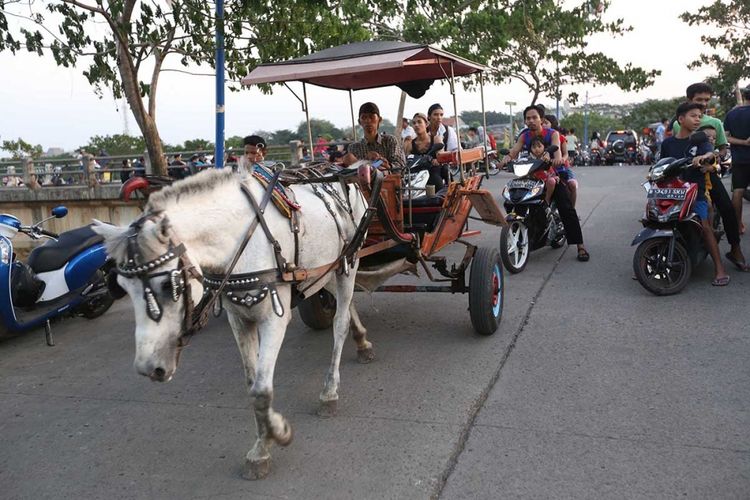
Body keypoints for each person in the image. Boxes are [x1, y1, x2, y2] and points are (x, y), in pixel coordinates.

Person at [501, 104, 589, 262]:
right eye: (528, 118)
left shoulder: (552, 133)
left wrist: (556, 158)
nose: (531, 121)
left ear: (541, 119)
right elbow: (514, 152)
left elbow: (557, 151)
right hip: (532, 177)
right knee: (515, 198)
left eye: (534, 117)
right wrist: (506, 159)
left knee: (566, 208)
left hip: (552, 175)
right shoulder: (524, 135)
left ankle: (580, 246)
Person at [674, 82, 747, 269]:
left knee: (727, 208)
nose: (704, 103)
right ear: (689, 99)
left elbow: (723, 149)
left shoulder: (715, 123)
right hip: (684, 175)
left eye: (707, 100)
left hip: (708, 175)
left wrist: (713, 160)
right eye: (699, 100)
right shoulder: (678, 123)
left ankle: (735, 248)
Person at [660, 101, 730, 286]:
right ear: (681, 119)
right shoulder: (668, 143)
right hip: (672, 191)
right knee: (654, 219)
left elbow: (710, 155)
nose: (697, 119)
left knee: (704, 226)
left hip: (695, 192)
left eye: (700, 116)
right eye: (693, 115)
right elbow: (661, 164)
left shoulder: (701, 140)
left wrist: (704, 158)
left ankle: (719, 268)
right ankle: (648, 262)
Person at [342, 102, 406, 171]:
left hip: (389, 180)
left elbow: (401, 166)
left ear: (379, 120)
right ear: (359, 122)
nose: (368, 121)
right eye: (364, 117)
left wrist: (387, 165)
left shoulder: (390, 141)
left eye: (372, 117)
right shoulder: (354, 148)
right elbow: (350, 172)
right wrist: (364, 161)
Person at [725, 85, 750, 241]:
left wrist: (742, 142)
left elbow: (725, 137)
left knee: (738, 191)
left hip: (739, 159)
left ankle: (738, 224)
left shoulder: (731, 114)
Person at [403, 112, 448, 190]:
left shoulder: (436, 139)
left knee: (436, 180)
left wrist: (437, 160)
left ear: (426, 124)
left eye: (419, 122)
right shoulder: (410, 144)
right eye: (414, 123)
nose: (416, 125)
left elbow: (441, 155)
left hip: (432, 171)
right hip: (417, 174)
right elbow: (406, 161)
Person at [543, 115, 579, 208]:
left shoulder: (560, 137)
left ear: (553, 124)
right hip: (545, 167)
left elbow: (565, 154)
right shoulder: (539, 138)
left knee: (572, 185)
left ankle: (572, 210)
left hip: (561, 167)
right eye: (542, 123)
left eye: (546, 123)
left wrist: (562, 159)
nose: (544, 125)